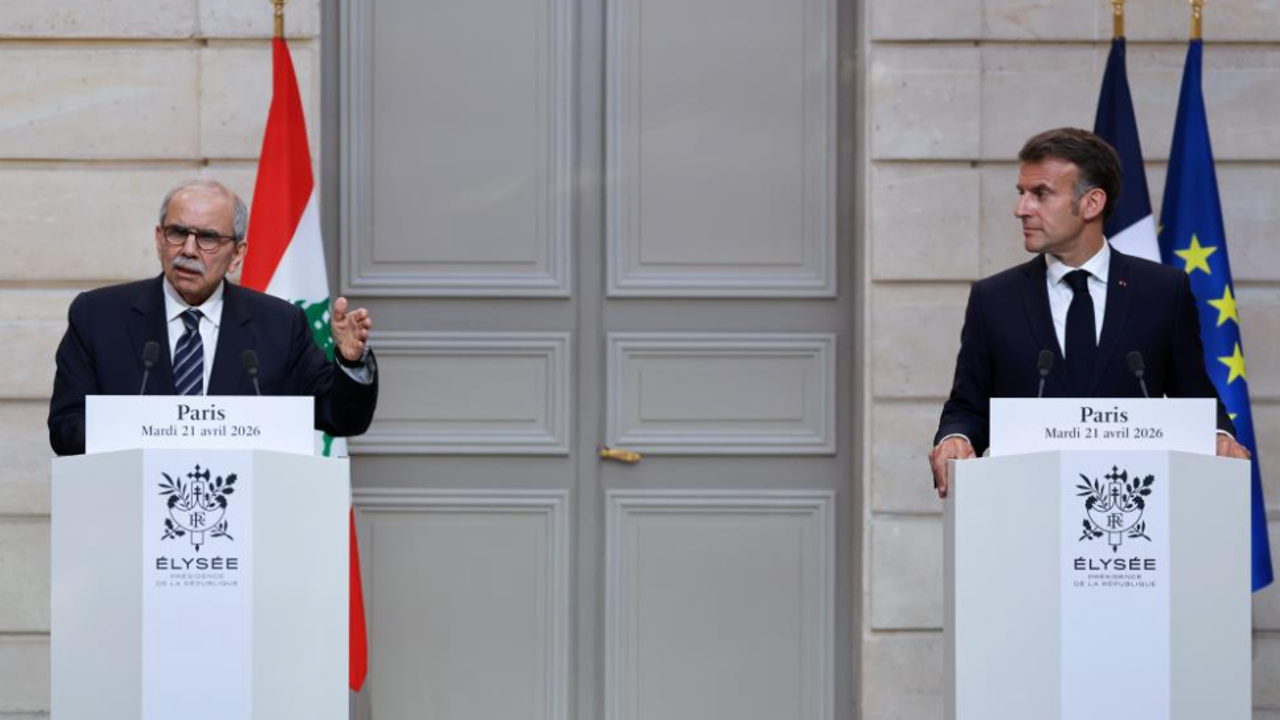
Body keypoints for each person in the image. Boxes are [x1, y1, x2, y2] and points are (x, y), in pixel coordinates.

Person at [929, 127, 1248, 497]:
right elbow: (968, 406)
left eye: (1040, 194)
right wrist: (954, 438)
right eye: (1022, 193)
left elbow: (1194, 400)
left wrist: (1219, 436)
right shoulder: (994, 298)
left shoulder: (1163, 291)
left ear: (1092, 203)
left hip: (1134, 507)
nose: (1021, 209)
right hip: (1026, 505)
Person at [48, 180, 378, 455]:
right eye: (177, 233)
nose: (188, 249)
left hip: (243, 506)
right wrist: (147, 434)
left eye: (207, 238)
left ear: (237, 254)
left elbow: (341, 418)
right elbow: (66, 428)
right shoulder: (98, 316)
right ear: (159, 239)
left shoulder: (280, 325)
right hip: (131, 503)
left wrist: (350, 362)